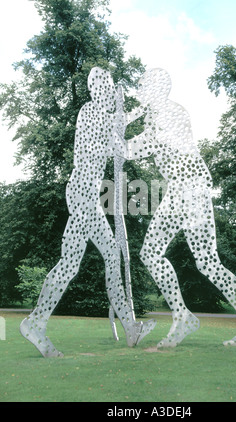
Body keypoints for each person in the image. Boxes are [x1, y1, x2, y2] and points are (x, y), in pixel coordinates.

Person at [124, 68, 236, 348]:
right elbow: (142, 140)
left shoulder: (170, 113)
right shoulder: (158, 114)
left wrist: (120, 137)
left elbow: (148, 142)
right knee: (207, 262)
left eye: (143, 86)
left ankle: (184, 316)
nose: (140, 91)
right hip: (188, 188)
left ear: (157, 88)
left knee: (153, 253)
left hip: (186, 188)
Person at [20, 67, 154, 357]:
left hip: (85, 195)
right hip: (83, 195)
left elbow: (119, 135)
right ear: (97, 91)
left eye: (109, 90)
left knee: (75, 262)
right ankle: (38, 322)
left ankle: (37, 322)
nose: (107, 94)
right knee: (101, 257)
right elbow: (125, 147)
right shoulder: (92, 114)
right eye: (105, 89)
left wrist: (136, 111)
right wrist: (149, 132)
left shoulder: (97, 116)